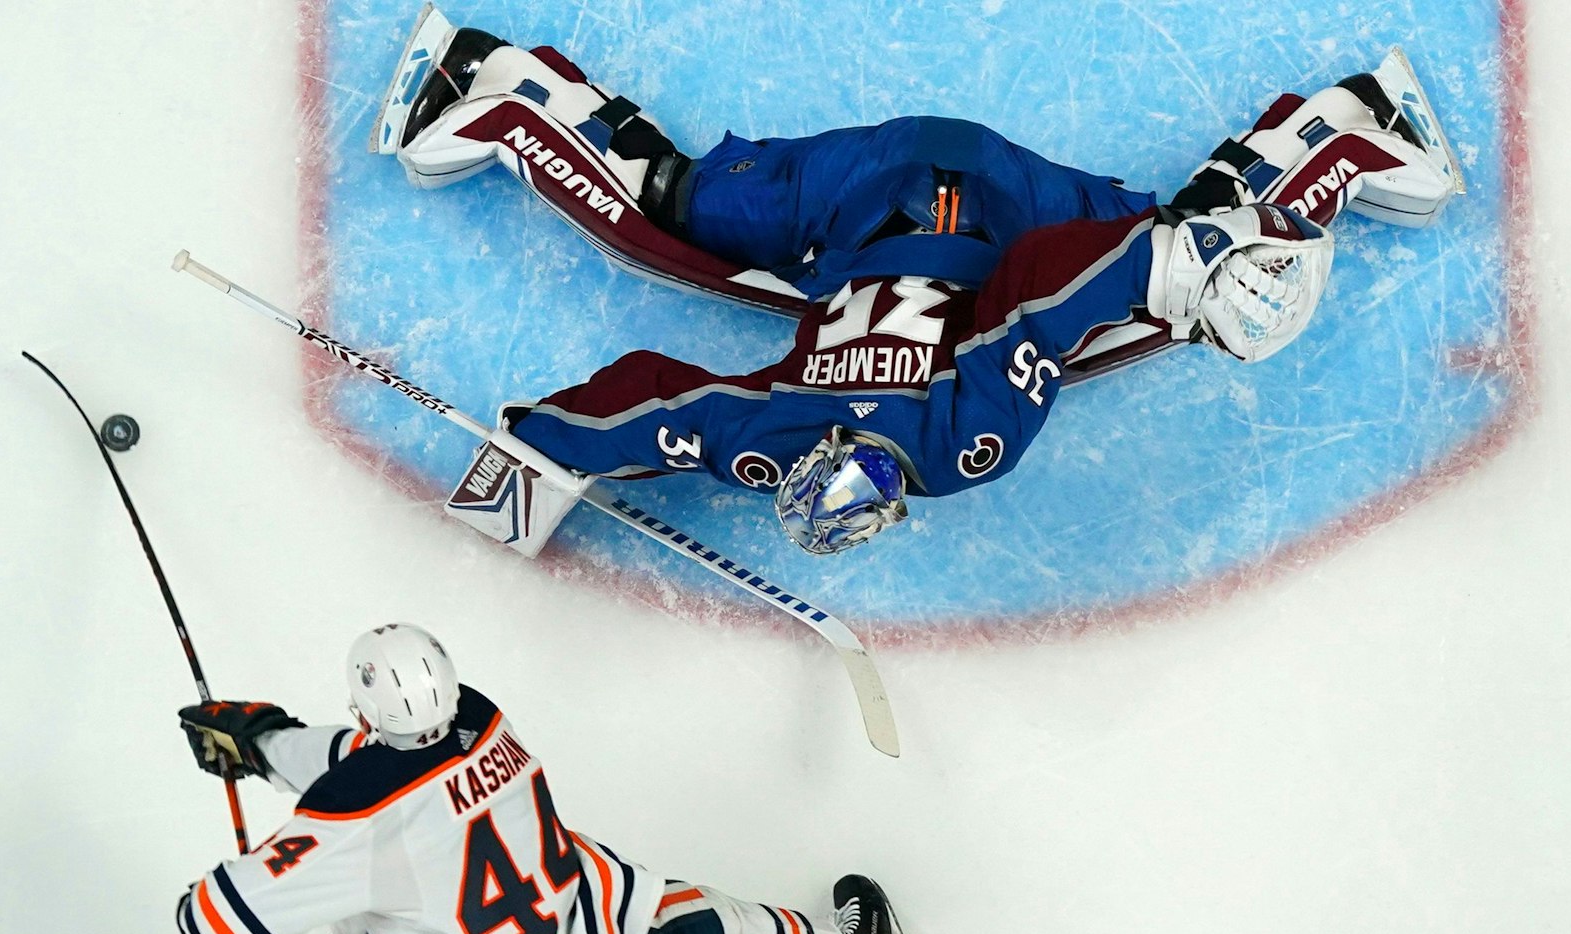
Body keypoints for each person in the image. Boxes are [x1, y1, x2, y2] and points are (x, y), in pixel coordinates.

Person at [376, 11, 1462, 555]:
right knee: (673, 207)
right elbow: (667, 409)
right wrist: (541, 445)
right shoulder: (788, 438)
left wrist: (1172, 267)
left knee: (667, 212)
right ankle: (491, 79)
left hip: (948, 195)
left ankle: (1353, 124)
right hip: (884, 193)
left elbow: (1044, 297)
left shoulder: (956, 450)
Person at [173, 623, 925, 934]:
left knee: (370, 913)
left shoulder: (349, 827)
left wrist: (266, 793)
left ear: (365, 709)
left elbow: (214, 926)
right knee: (715, 923)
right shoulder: (480, 716)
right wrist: (275, 745)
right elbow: (388, 770)